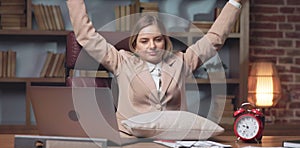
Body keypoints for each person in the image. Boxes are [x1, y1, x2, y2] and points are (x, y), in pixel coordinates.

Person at [66, 0, 246, 131]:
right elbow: (87, 36)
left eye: (157, 39)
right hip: (132, 142)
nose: (152, 45)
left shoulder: (181, 62)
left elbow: (214, 40)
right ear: (135, 45)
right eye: (144, 41)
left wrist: (235, 3)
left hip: (174, 141)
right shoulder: (121, 61)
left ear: (165, 42)